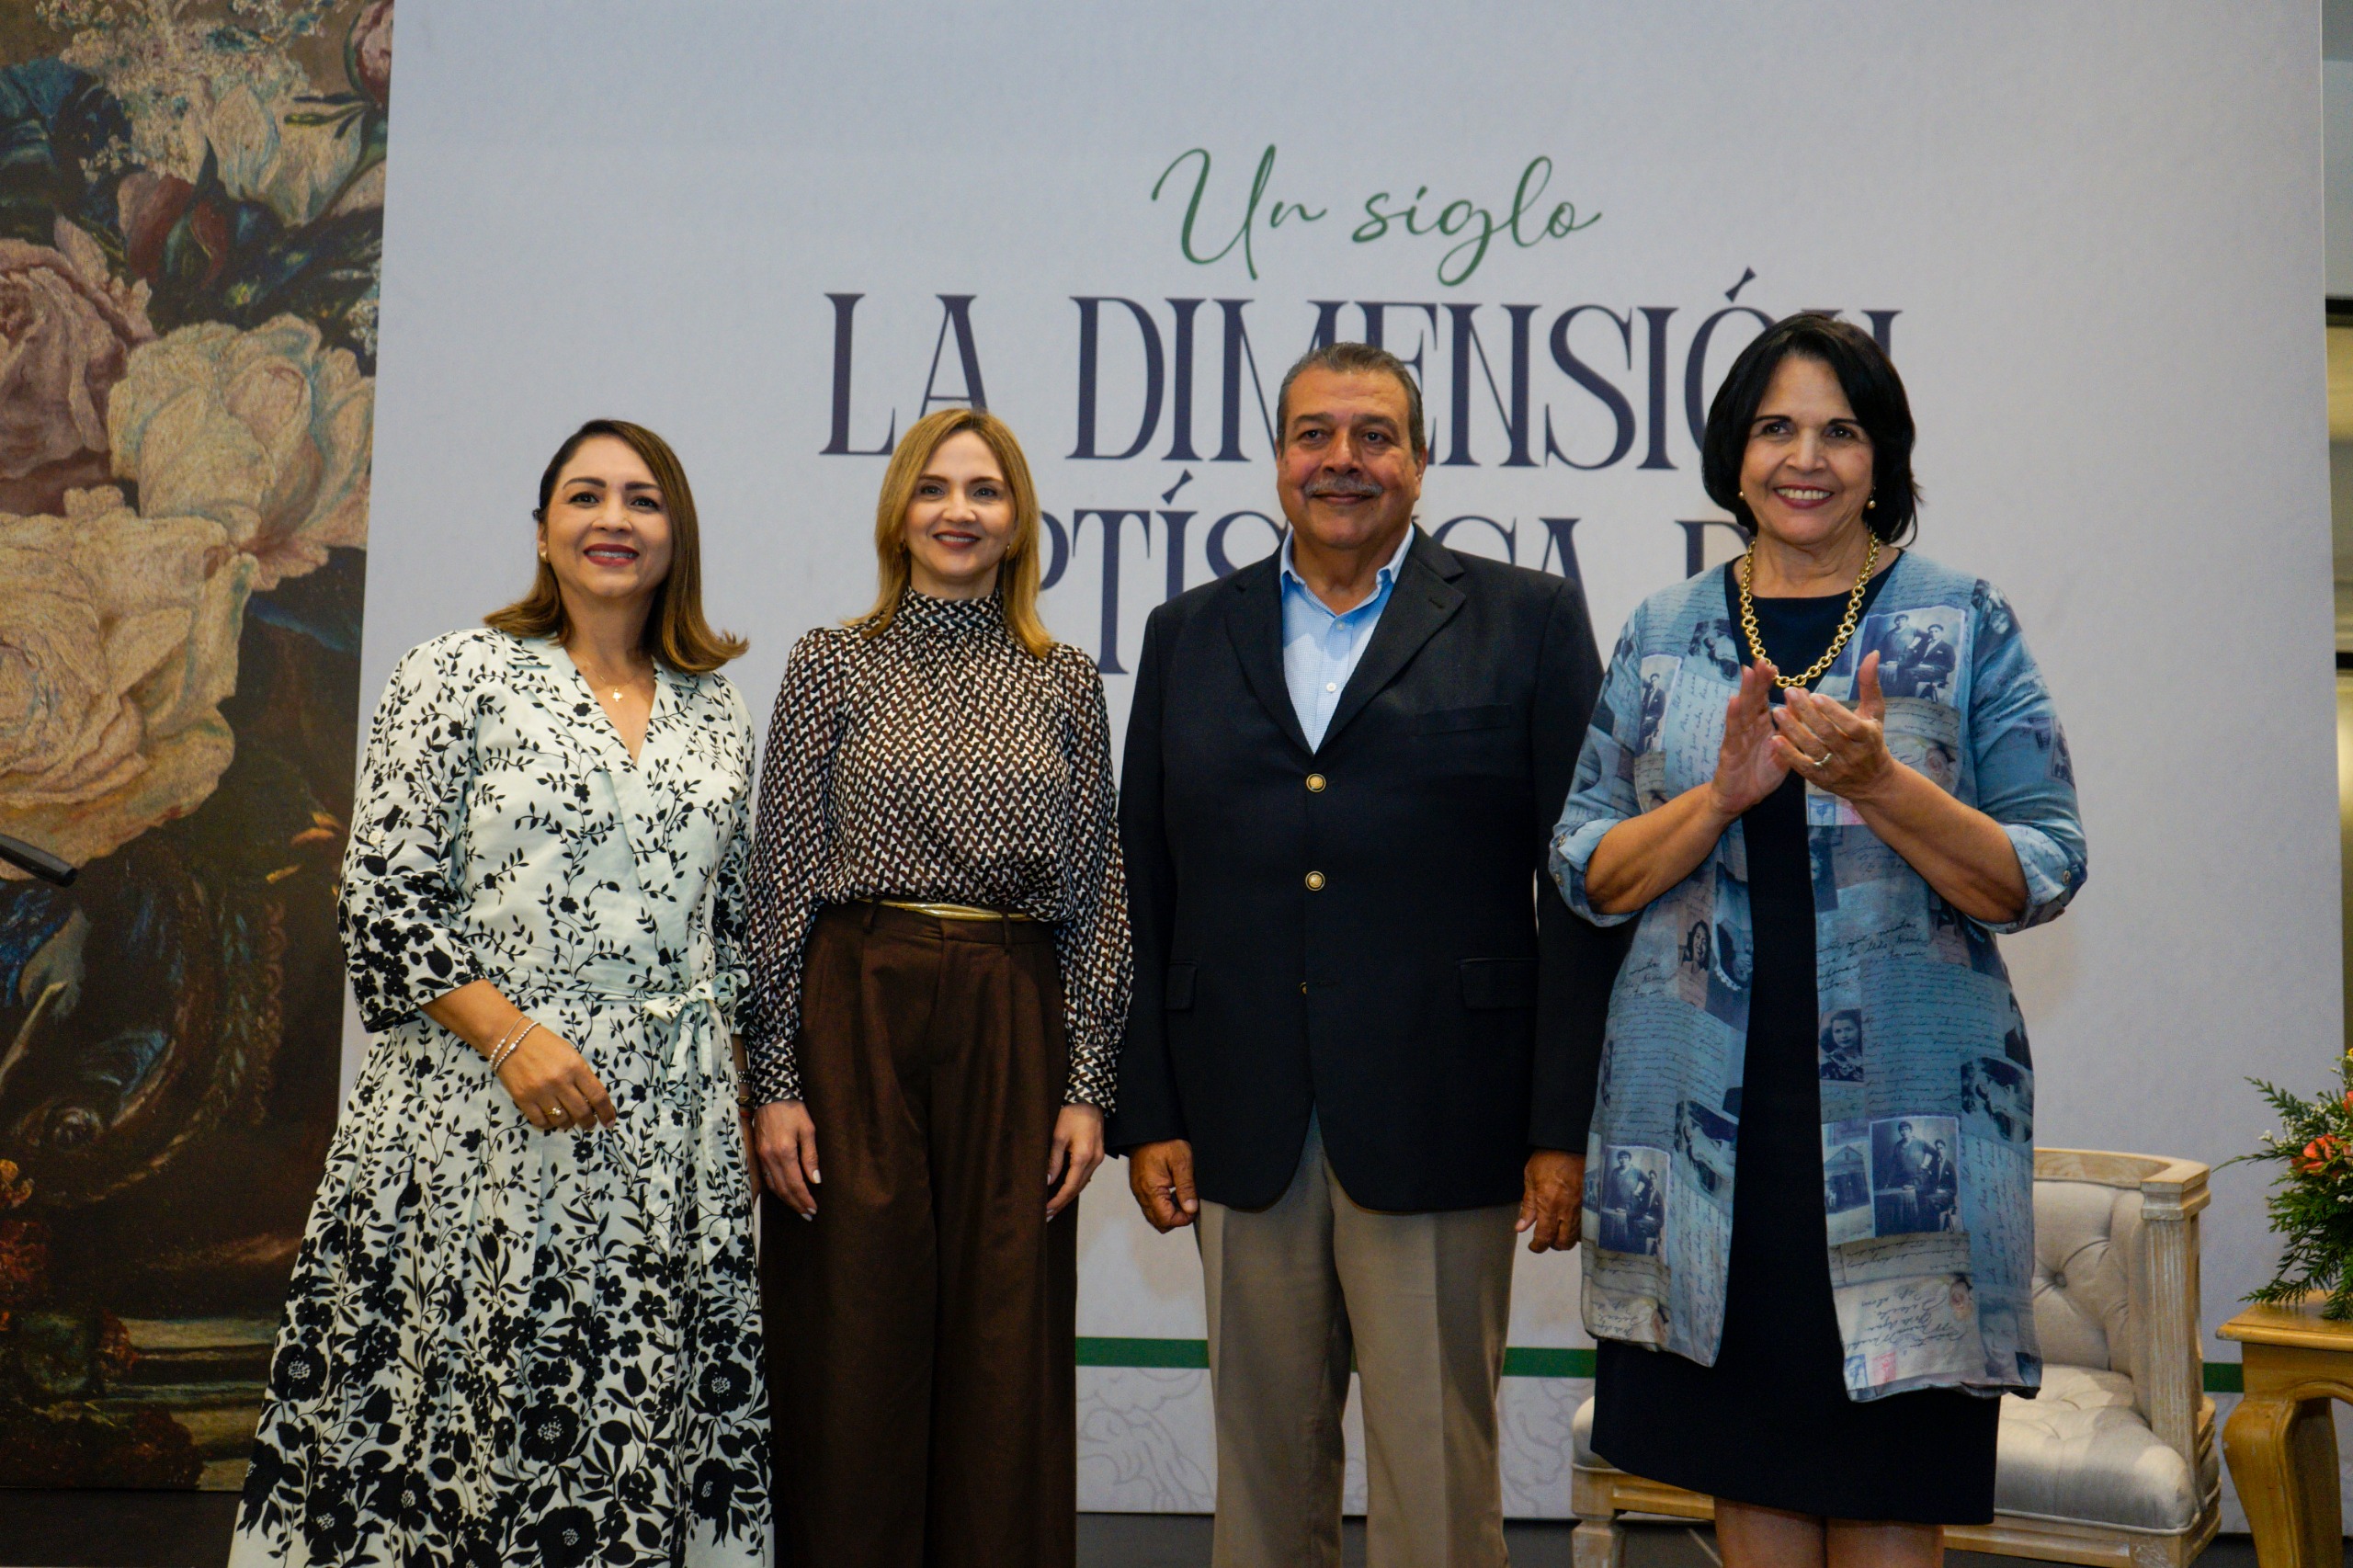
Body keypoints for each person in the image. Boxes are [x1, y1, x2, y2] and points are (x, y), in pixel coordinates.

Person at [1552, 312, 2086, 1563]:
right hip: (1705, 1128)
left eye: (1840, 431)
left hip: (1909, 1127)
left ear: (1881, 457)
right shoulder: (1663, 629)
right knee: (1749, 1465)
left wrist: (1882, 783)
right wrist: (1717, 798)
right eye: (1775, 428)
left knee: (1889, 1478)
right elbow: (1585, 869)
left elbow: (2041, 866)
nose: (1806, 458)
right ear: (1733, 458)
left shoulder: (1960, 619)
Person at [1110, 341, 1623, 1568]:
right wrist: (1150, 1110)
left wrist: (1561, 1128)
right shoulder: (1187, 631)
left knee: (1435, 1481)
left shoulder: (1527, 619)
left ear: (1421, 461)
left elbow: (1582, 890)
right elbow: (1144, 882)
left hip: (1446, 1114)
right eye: (1314, 434)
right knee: (1260, 1481)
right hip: (1241, 1120)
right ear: (1277, 459)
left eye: (1374, 435)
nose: (1342, 460)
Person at [232, 420, 768, 1565]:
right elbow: (382, 896)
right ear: (541, 530)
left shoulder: (717, 707)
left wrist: (739, 1101)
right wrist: (514, 1037)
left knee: (619, 1439)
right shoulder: (454, 672)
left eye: (642, 499)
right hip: (471, 1118)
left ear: (676, 534)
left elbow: (729, 929)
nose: (613, 519)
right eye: (585, 495)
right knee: (455, 1435)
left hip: (661, 1143)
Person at [741, 406, 1129, 1568]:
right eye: (934, 487)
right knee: (851, 1332)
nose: (959, 510)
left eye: (985, 490)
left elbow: (1097, 886)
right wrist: (772, 1079)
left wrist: (1088, 1085)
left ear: (1018, 522)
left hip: (1015, 1011)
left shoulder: (1064, 679)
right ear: (897, 512)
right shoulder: (829, 660)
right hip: (855, 1006)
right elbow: (780, 876)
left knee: (1007, 1336)